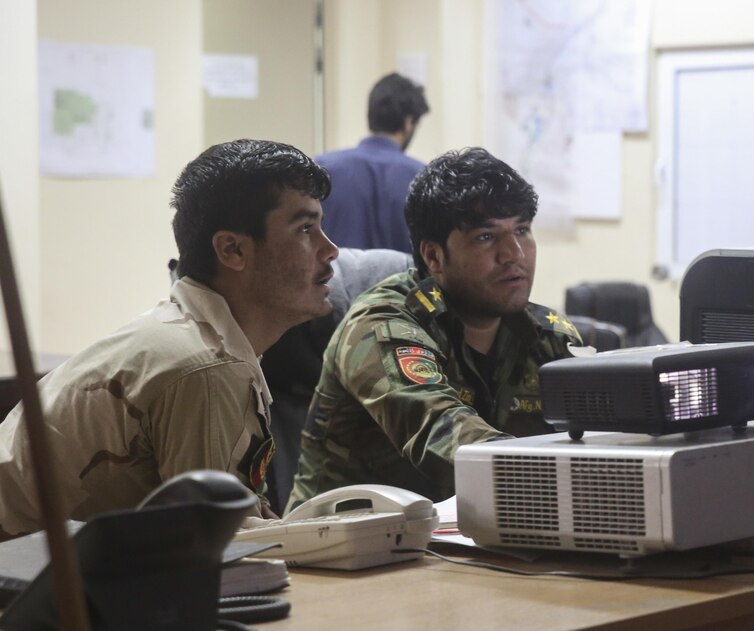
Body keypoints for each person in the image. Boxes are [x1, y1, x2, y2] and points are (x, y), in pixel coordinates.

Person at [0, 139, 339, 538]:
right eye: (305, 229)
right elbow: (219, 544)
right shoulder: (204, 366)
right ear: (232, 250)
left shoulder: (198, 337)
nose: (331, 250)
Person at [288, 147, 581, 507]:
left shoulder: (549, 336)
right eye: (486, 237)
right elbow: (440, 432)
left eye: (521, 230)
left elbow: (597, 435)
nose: (514, 254)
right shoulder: (383, 325)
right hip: (344, 535)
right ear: (433, 256)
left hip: (474, 531)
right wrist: (574, 481)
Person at [317, 72, 429, 253]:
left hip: (333, 271)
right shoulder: (423, 177)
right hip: (404, 273)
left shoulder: (323, 168)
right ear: (408, 123)